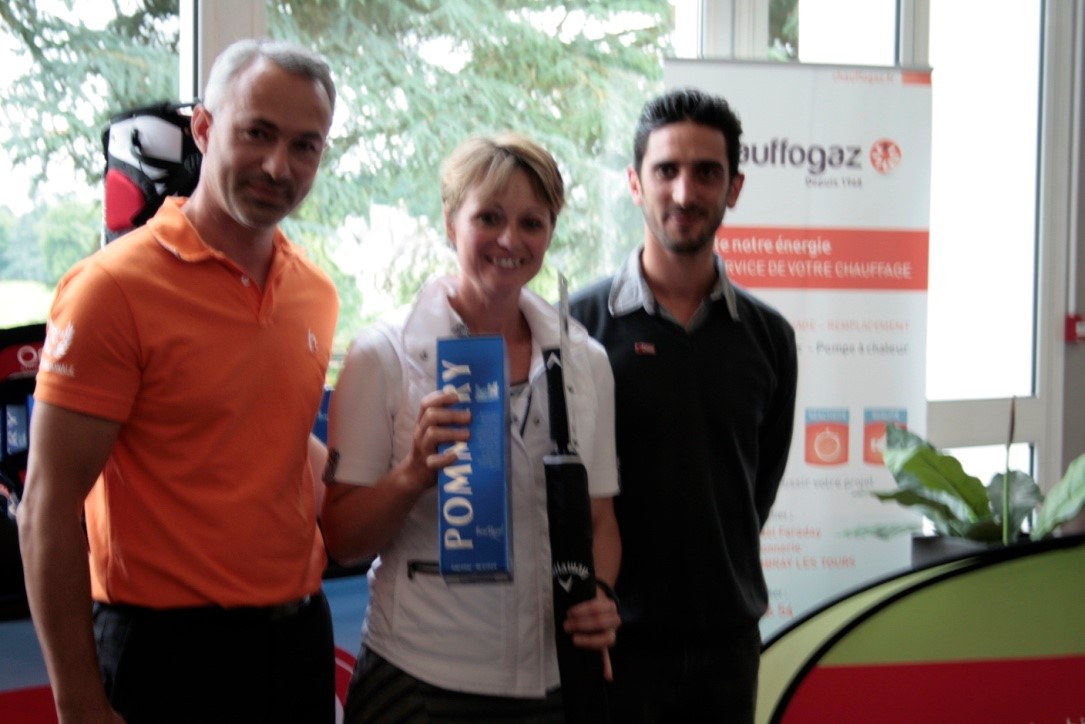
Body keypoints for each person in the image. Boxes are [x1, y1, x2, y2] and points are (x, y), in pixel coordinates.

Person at [18, 38, 339, 724]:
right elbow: (46, 506)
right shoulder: (111, 289)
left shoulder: (314, 293)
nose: (278, 165)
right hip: (162, 654)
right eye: (257, 133)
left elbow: (270, 445)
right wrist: (78, 701)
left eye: (304, 145)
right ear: (204, 128)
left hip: (296, 641)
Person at [321, 132, 621, 723]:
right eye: (489, 217)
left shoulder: (584, 361)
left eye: (532, 223)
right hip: (420, 677)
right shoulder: (384, 354)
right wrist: (412, 475)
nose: (510, 240)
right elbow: (343, 538)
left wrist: (601, 594)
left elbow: (601, 521)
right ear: (450, 222)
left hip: (550, 682)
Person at [569, 88, 798, 722]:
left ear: (734, 188)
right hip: (610, 640)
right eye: (666, 169)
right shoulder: (577, 327)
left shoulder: (769, 338)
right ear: (635, 183)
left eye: (707, 172)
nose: (684, 192)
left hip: (727, 646)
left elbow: (756, 488)